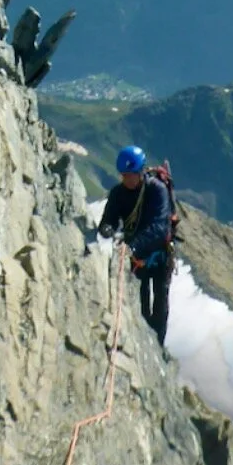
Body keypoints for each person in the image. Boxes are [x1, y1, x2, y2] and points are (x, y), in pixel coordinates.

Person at [98, 145, 174, 346]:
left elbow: (160, 227)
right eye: (124, 175)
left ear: (141, 172)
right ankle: (144, 345)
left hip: (158, 256)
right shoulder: (118, 194)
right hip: (136, 257)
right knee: (140, 306)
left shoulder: (157, 190)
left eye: (131, 174)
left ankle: (157, 346)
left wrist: (133, 245)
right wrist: (107, 229)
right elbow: (109, 220)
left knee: (159, 307)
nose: (127, 179)